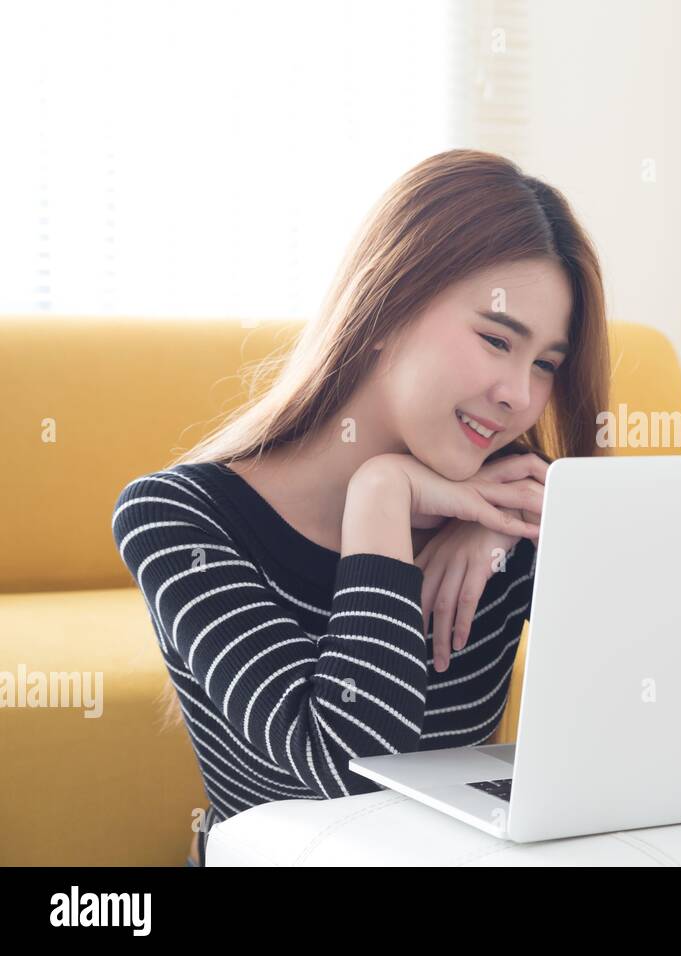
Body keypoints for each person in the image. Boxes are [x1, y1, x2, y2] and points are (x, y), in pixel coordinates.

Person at [110, 149, 612, 865]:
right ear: (387, 307)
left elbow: (674, 707)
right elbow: (343, 765)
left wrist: (517, 530)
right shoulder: (177, 518)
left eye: (544, 365)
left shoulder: (511, 507)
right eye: (497, 340)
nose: (519, 396)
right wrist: (381, 496)